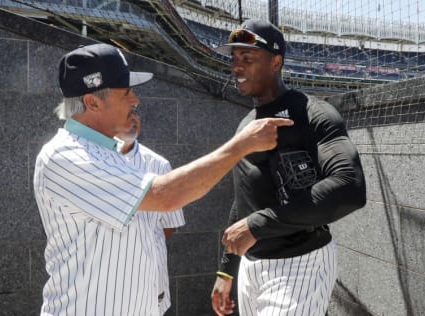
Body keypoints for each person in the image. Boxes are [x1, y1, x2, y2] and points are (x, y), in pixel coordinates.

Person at [33, 43, 293, 316]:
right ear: (93, 102)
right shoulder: (66, 155)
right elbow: (166, 196)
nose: (135, 100)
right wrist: (240, 145)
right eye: (126, 92)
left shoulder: (107, 150)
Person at [210, 20, 366, 316]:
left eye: (248, 59)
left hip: (300, 263)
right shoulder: (246, 124)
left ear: (276, 62)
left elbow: (350, 186)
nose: (237, 67)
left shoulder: (313, 113)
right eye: (234, 59)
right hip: (251, 269)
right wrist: (227, 271)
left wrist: (258, 224)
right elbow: (244, 198)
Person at [115, 107, 185, 315]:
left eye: (135, 112)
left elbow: (170, 223)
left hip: (150, 277)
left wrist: (142, 243)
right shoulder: (91, 162)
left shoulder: (159, 164)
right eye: (126, 111)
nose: (133, 117)